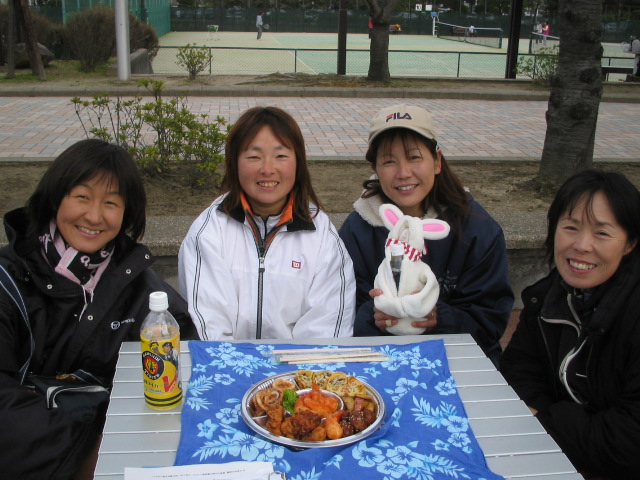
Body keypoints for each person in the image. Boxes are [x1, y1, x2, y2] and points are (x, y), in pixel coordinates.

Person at [0, 138, 197, 479]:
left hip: (118, 452)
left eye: (110, 203)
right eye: (82, 197)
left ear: (126, 213)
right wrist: (85, 452)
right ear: (55, 198)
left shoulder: (138, 284)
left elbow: (189, 364)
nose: (94, 216)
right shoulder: (9, 280)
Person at [338, 104, 514, 366]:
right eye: (389, 161)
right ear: (375, 168)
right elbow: (343, 316)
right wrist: (374, 316)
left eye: (414, 157)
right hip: (379, 362)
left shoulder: (476, 229)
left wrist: (438, 317)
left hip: (458, 362)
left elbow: (490, 321)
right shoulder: (357, 230)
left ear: (437, 161)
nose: (403, 173)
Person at [500, 169, 640, 479]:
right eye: (571, 227)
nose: (581, 245)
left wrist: (546, 420)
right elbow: (518, 370)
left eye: (602, 233)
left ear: (630, 243)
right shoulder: (547, 297)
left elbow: (629, 442)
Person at [179, 106, 356, 341]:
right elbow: (208, 328)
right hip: (228, 362)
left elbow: (327, 330)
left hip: (298, 364)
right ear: (234, 162)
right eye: (254, 157)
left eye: (281, 156)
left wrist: (287, 366)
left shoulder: (322, 236)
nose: (267, 169)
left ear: (298, 162)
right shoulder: (209, 232)